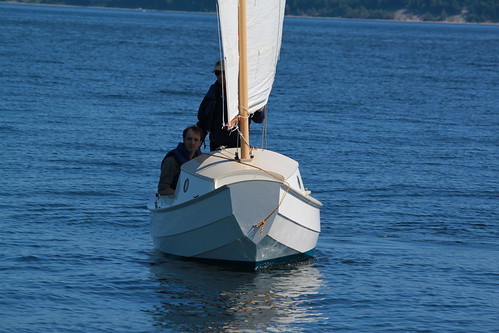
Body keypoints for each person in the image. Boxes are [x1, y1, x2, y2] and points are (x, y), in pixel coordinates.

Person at [197, 60, 266, 151]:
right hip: (217, 144)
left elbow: (259, 119)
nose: (221, 76)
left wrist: (259, 107)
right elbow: (203, 120)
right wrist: (197, 144)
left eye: (224, 73)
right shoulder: (213, 92)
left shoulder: (245, 92)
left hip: (240, 144)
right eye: (218, 73)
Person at [157, 125, 203, 196]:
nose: (192, 143)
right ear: (184, 140)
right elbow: (162, 190)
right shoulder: (171, 161)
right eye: (189, 139)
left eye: (196, 140)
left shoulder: (199, 161)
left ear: (200, 143)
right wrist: (184, 194)